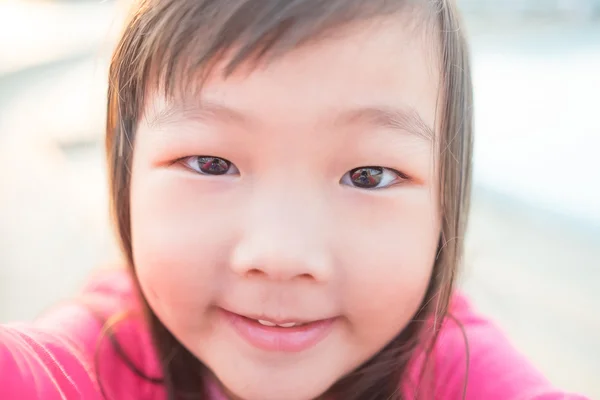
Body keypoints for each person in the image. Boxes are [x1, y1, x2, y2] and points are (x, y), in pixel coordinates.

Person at [0, 0, 591, 399]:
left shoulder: (451, 368)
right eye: (211, 164)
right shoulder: (95, 357)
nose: (281, 254)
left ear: (446, 204)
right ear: (125, 174)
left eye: (368, 175)